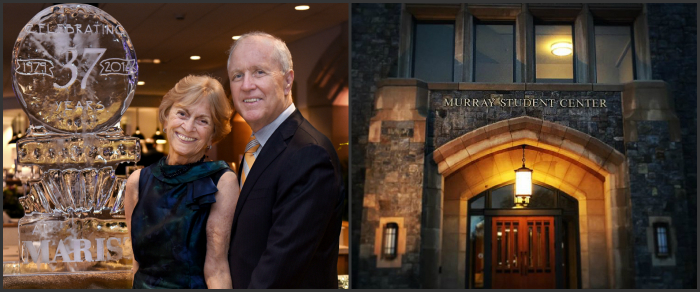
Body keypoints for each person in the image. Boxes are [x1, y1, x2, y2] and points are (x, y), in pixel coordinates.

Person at [226, 31, 345, 288]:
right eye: (238, 75)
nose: (246, 85)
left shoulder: (309, 155)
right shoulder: (258, 149)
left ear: (288, 81)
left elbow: (279, 269)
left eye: (259, 72)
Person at [124, 75, 238, 289]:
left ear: (213, 134)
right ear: (166, 118)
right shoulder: (137, 182)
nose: (188, 126)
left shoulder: (221, 182)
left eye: (203, 120)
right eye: (182, 114)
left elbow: (217, 269)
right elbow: (136, 264)